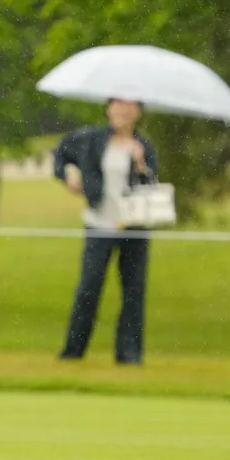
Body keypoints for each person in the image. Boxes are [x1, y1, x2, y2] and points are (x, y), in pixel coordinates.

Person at [53, 99, 159, 365]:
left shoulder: (144, 146)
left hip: (133, 227)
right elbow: (61, 153)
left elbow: (151, 187)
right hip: (99, 224)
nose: (123, 112)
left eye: (129, 107)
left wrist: (140, 165)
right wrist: (68, 176)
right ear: (108, 108)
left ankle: (129, 354)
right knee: (88, 289)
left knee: (133, 291)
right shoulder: (91, 139)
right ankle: (73, 351)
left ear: (138, 113)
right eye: (118, 105)